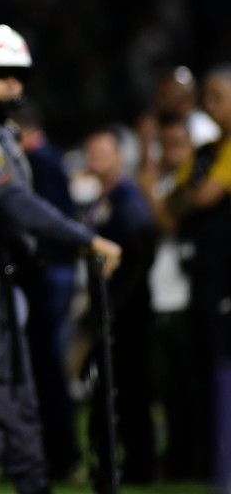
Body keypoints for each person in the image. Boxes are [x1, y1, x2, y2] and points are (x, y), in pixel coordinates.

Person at [0, 23, 121, 494]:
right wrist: (86, 239)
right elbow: (14, 203)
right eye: (1, 74)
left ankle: (32, 481)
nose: (14, 84)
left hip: (0, 274)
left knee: (20, 393)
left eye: (18, 74)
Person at [7, 100, 84, 482]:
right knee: (44, 365)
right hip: (54, 272)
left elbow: (46, 219)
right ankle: (56, 455)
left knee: (48, 366)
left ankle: (62, 456)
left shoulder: (41, 161)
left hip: (51, 274)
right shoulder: (47, 159)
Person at [164, 62, 231, 485]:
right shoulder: (207, 152)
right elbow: (172, 204)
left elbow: (201, 196)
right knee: (207, 370)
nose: (208, 107)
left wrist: (188, 198)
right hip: (205, 279)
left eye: (217, 98)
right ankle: (213, 462)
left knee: (224, 366)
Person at [82, 125, 158, 486]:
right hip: (113, 308)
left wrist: (118, 301)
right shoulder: (106, 198)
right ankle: (126, 459)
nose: (92, 158)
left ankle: (140, 463)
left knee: (130, 387)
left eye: (101, 151)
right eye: (90, 151)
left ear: (119, 155)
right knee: (118, 387)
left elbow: (143, 245)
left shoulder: (127, 197)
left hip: (127, 309)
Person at [135, 113, 198, 480]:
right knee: (168, 393)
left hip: (186, 299)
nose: (171, 153)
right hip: (161, 297)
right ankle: (176, 458)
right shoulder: (161, 182)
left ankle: (196, 460)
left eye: (178, 144)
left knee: (190, 389)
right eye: (165, 145)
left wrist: (148, 186)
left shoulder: (190, 183)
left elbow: (168, 222)